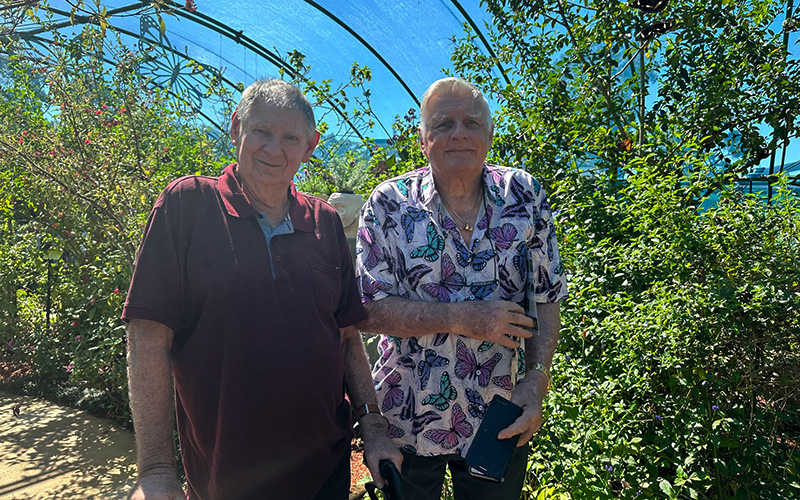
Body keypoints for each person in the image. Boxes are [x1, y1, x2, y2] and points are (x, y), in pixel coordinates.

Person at [123, 78, 401, 500]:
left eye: (290, 138)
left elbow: (347, 338)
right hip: (227, 480)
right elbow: (147, 339)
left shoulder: (325, 222)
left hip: (325, 473)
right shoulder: (187, 205)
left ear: (310, 147)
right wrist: (156, 469)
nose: (274, 149)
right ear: (236, 128)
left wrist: (374, 428)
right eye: (262, 131)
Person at [355, 77, 568, 500]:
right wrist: (462, 318)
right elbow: (367, 309)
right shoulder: (389, 204)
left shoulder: (524, 196)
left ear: (489, 134)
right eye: (443, 124)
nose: (459, 134)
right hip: (407, 415)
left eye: (471, 122)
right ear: (423, 139)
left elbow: (547, 297)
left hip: (499, 415)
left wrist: (536, 380)